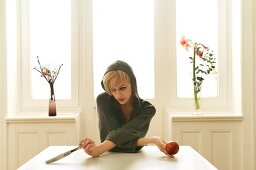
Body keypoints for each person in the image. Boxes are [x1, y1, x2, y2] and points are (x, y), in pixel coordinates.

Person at [79, 60, 170, 157]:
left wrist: (99, 149)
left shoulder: (147, 109)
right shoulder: (103, 100)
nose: (118, 95)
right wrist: (152, 140)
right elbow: (111, 142)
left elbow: (115, 140)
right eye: (113, 90)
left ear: (133, 85)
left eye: (122, 88)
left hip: (136, 159)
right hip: (110, 158)